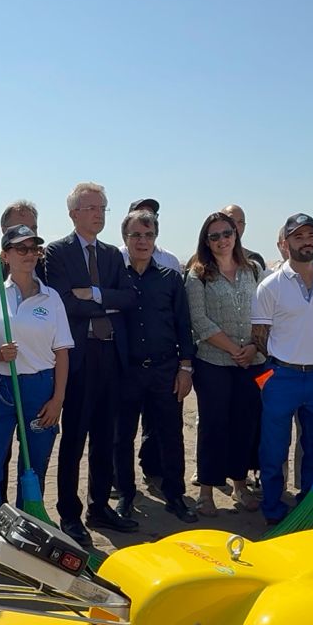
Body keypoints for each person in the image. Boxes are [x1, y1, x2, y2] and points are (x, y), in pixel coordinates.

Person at [42, 182, 139, 542]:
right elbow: (64, 303)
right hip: (79, 359)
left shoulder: (113, 255)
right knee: (75, 439)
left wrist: (95, 294)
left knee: (106, 437)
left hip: (112, 356)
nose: (99, 214)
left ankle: (100, 507)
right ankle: (70, 513)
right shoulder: (57, 252)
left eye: (103, 208)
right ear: (74, 214)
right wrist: (102, 302)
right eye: (92, 208)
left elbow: (129, 298)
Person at [0, 224, 71, 524]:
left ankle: (26, 530)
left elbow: (62, 352)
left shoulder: (51, 298)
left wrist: (58, 400)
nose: (29, 254)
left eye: (34, 249)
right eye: (21, 248)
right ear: (5, 255)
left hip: (41, 389)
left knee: (33, 469)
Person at [252, 213, 313, 525]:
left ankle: (309, 506)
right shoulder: (270, 285)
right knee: (275, 447)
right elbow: (259, 337)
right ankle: (273, 507)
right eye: (299, 237)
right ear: (286, 243)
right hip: (282, 377)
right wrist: (284, 359)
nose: (307, 241)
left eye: (311, 235)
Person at [112, 209, 196, 523]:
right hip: (127, 371)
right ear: (125, 239)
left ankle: (175, 496)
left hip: (165, 370)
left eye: (148, 235)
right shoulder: (116, 277)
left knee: (170, 435)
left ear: (155, 239)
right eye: (136, 235)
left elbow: (183, 324)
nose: (142, 241)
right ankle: (125, 496)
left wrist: (185, 368)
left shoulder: (171, 278)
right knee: (122, 437)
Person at [185, 211, 266, 517]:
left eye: (227, 233)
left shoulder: (253, 269)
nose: (222, 240)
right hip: (213, 362)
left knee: (244, 425)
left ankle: (240, 486)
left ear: (236, 234)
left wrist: (252, 347)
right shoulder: (198, 274)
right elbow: (199, 320)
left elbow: (263, 311)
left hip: (252, 362)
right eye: (214, 236)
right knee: (213, 425)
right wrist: (234, 349)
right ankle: (206, 491)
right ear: (206, 240)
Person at [120, 199, 184, 272]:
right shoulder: (115, 258)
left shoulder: (170, 261)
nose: (146, 218)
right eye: (141, 213)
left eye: (151, 214)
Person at [220, 204, 266, 270]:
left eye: (240, 222)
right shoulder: (204, 260)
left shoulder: (254, 260)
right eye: (231, 220)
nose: (236, 226)